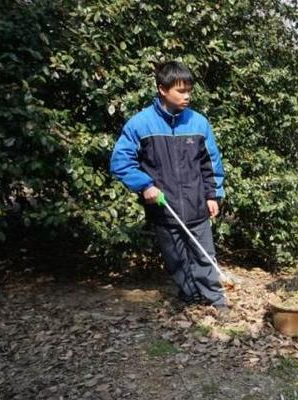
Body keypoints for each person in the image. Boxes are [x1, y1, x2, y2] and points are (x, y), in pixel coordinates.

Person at [110, 61, 229, 316]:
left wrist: (212, 194)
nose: (187, 96)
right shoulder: (140, 124)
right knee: (176, 259)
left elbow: (211, 163)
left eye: (189, 90)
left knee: (204, 255)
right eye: (180, 91)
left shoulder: (198, 123)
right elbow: (121, 162)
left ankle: (215, 300)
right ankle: (190, 297)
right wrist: (145, 186)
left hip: (197, 205)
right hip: (164, 209)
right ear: (162, 89)